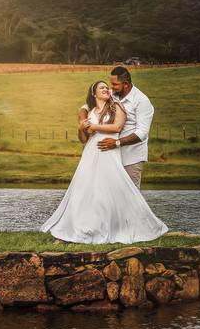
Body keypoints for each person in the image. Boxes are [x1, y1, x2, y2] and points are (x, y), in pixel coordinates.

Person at [41, 80, 168, 244]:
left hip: (108, 151)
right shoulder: (91, 110)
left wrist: (94, 126)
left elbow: (117, 127)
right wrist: (81, 128)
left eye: (107, 87)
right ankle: (85, 227)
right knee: (86, 189)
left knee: (110, 189)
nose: (106, 89)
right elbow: (84, 139)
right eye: (102, 88)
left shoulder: (117, 107)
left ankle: (121, 226)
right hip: (91, 152)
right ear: (94, 94)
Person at [92, 66, 153, 188]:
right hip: (111, 156)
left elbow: (142, 133)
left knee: (131, 197)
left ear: (125, 84)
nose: (111, 88)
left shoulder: (142, 101)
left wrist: (117, 142)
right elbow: (91, 102)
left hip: (131, 158)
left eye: (115, 84)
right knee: (111, 195)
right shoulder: (113, 96)